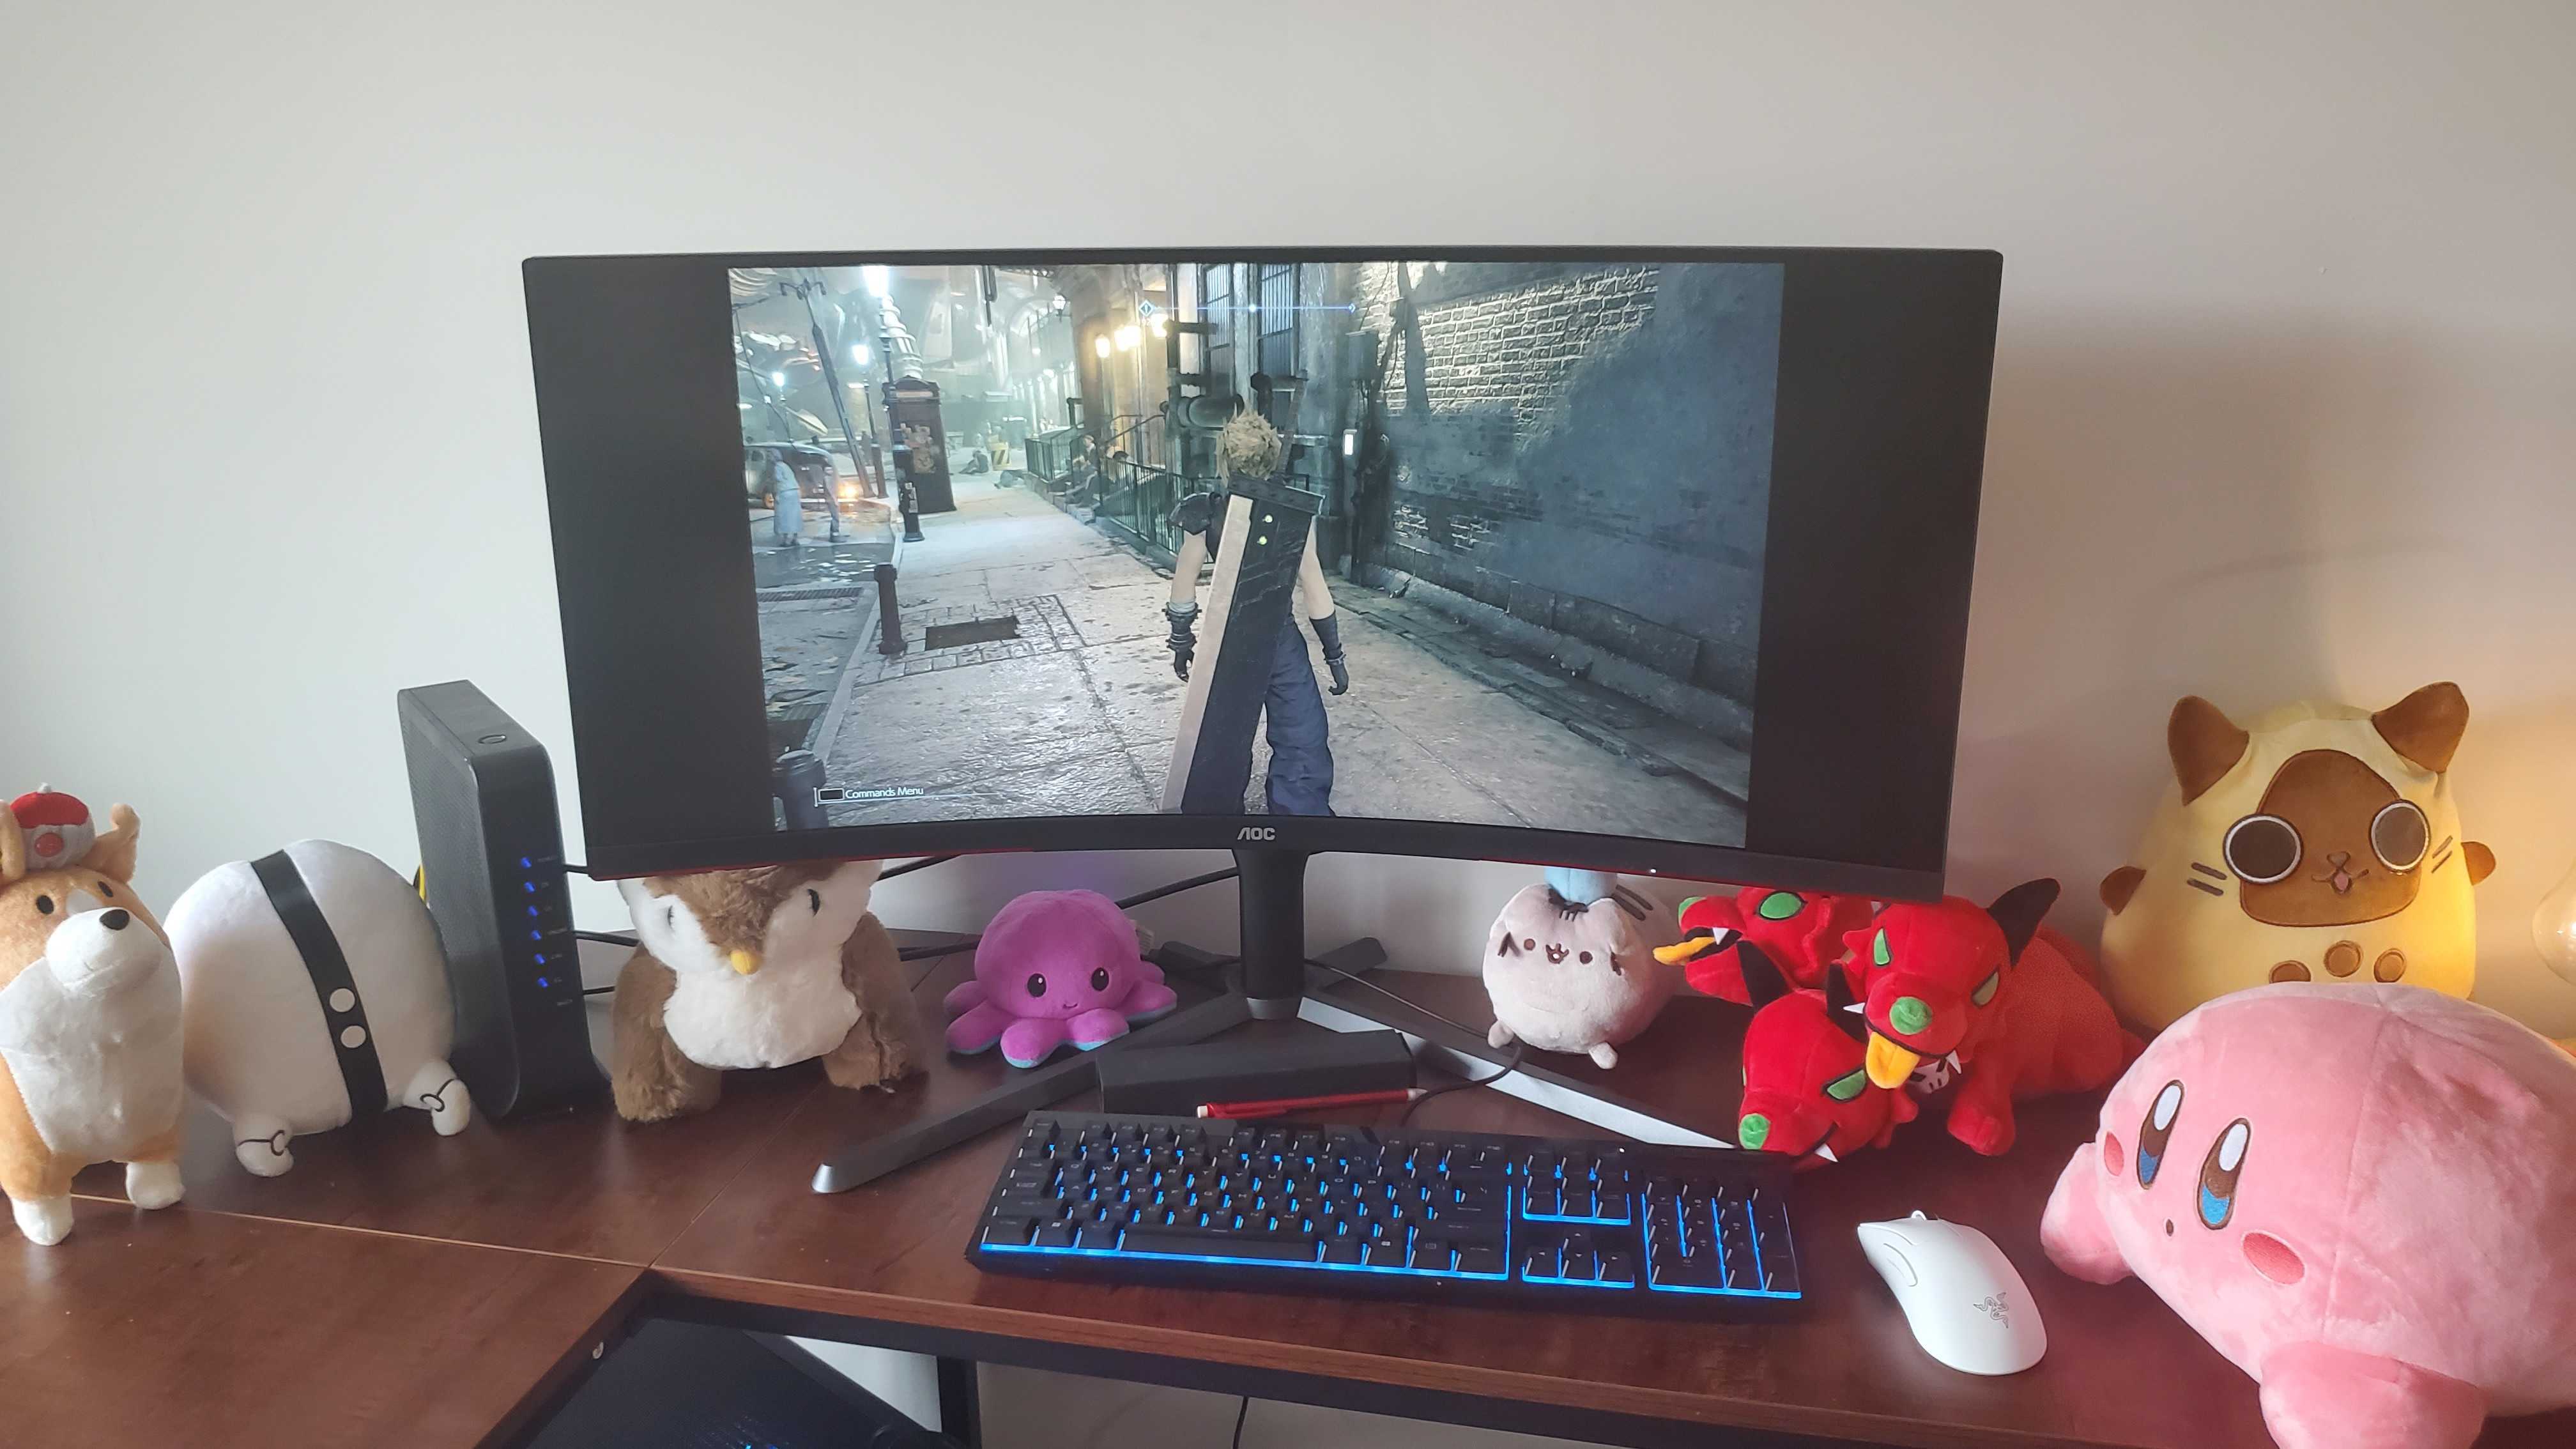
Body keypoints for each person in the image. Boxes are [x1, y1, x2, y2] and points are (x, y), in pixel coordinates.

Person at [1161, 411, 1349, 816]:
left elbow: (1184, 582)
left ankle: (1216, 820)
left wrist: (1182, 641)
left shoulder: (1205, 512)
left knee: (1222, 740)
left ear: (1224, 460)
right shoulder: (1293, 514)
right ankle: (1299, 818)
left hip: (1226, 641)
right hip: (1280, 642)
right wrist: (1333, 654)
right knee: (1302, 737)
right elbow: (1314, 584)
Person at [769, 452, 802, 548]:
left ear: (774, 457)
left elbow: (778, 479)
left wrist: (772, 481)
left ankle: (786, 540)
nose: (769, 459)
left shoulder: (777, 467)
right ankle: (795, 538)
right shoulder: (786, 466)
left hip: (785, 492)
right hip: (794, 491)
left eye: (769, 456)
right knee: (795, 515)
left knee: (784, 516)